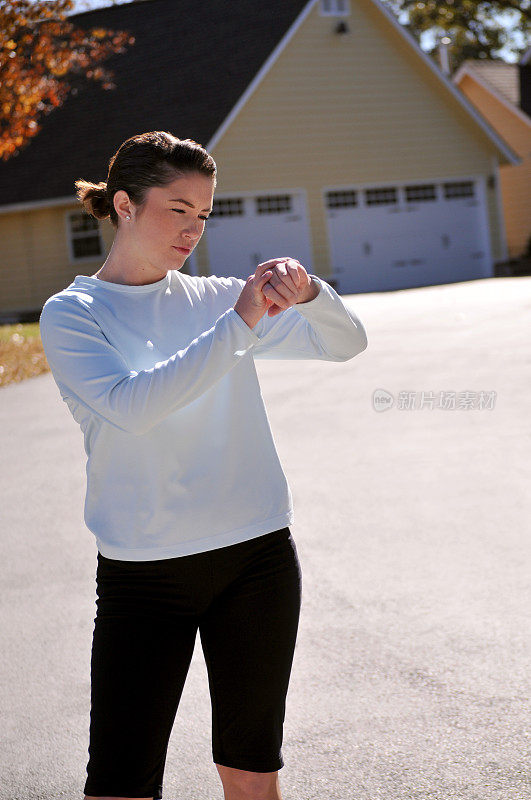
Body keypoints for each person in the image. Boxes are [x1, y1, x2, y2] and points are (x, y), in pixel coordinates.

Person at [38, 130, 368, 800]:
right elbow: (132, 406)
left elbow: (345, 344)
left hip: (257, 558)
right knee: (121, 784)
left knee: (251, 771)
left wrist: (310, 296)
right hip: (145, 574)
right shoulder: (74, 314)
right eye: (176, 209)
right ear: (125, 205)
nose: (192, 229)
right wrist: (239, 325)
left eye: (204, 214)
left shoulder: (218, 299)